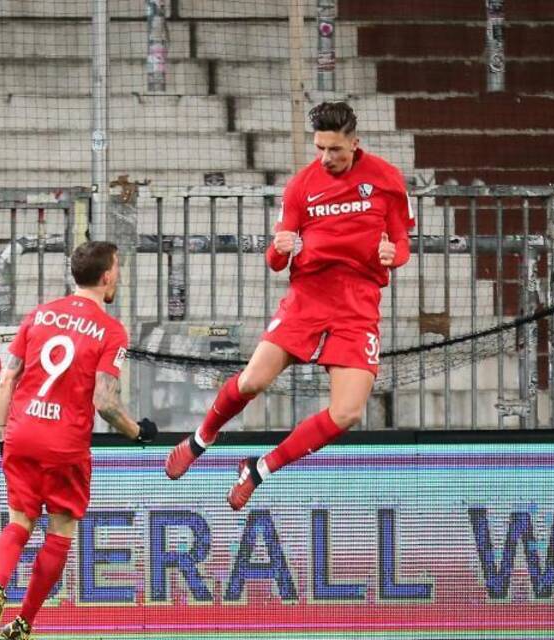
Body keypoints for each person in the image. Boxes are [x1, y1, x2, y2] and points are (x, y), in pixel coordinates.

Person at [165, 101, 414, 510]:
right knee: (251, 382)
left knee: (348, 412)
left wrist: (395, 254)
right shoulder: (301, 186)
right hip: (307, 299)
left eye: (335, 149)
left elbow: (402, 242)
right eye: (320, 148)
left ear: (355, 143)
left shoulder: (386, 180)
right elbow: (276, 260)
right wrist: (279, 250)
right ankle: (201, 438)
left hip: (357, 306)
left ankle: (259, 468)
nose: (326, 158)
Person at [0, 241, 157, 640]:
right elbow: (105, 402)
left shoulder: (39, 315)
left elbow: (7, 379)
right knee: (59, 532)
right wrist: (137, 431)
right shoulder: (110, 330)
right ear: (107, 275)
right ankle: (22, 623)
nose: (119, 276)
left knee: (20, 520)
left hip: (21, 434)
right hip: (65, 445)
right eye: (118, 269)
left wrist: (4, 434)